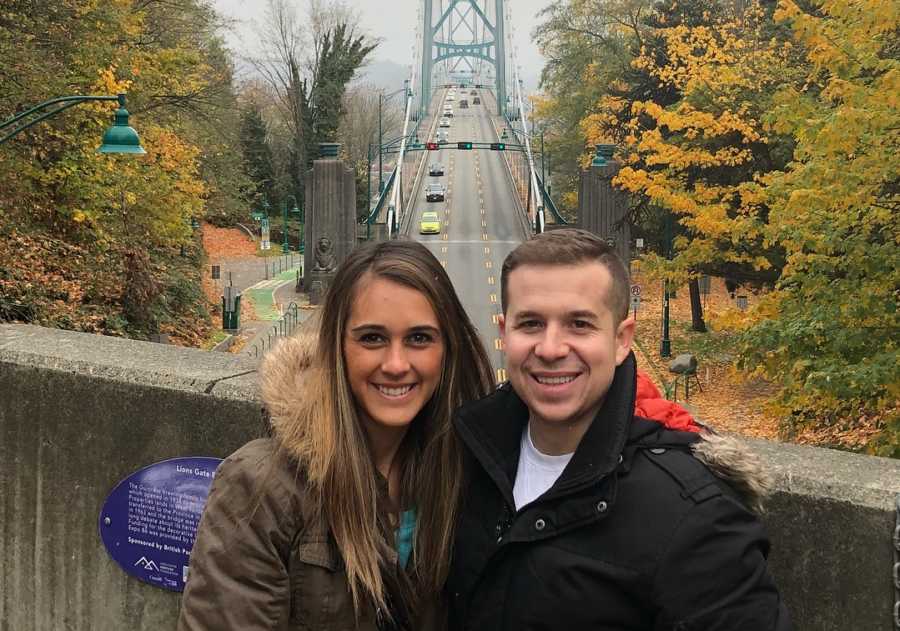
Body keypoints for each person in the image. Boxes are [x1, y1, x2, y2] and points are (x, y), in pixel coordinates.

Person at [446, 229, 792, 630]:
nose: (551, 348)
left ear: (622, 339)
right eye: (531, 324)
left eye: (579, 324)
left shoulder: (697, 517)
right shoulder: (463, 464)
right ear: (504, 333)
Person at [178, 240, 495, 630]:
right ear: (336, 347)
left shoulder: (463, 473)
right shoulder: (262, 485)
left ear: (448, 350)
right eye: (372, 338)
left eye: (419, 339)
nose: (396, 364)